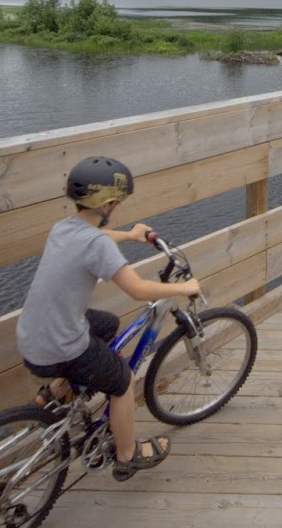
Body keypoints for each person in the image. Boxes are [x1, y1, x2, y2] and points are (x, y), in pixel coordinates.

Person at [15, 155, 201, 481]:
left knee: (107, 325)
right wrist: (183, 286)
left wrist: (130, 236)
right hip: (60, 345)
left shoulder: (64, 228)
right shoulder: (97, 243)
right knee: (122, 382)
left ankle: (53, 393)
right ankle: (128, 456)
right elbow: (137, 289)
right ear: (109, 204)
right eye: (120, 203)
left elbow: (97, 240)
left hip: (32, 334)